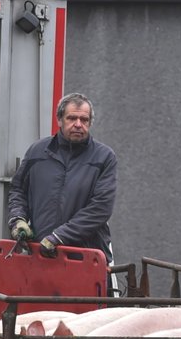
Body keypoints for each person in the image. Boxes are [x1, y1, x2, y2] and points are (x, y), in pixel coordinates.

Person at [7, 92, 116, 261]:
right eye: (71, 118)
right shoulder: (37, 151)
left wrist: (59, 237)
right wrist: (18, 219)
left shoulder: (104, 157)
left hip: (84, 259)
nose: (78, 124)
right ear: (59, 120)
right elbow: (18, 190)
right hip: (40, 256)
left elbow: (100, 209)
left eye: (84, 120)